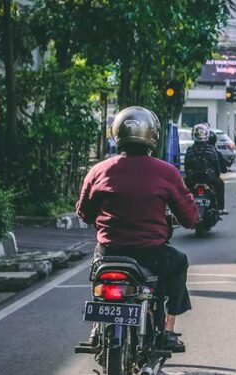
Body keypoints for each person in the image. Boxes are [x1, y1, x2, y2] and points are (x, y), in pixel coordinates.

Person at [76, 106, 198, 352]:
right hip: (150, 252)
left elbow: (84, 213)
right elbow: (190, 218)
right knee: (179, 263)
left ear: (117, 133)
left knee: (97, 268)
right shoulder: (167, 172)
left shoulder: (99, 171)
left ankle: (96, 328)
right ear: (152, 136)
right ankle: (168, 330)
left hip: (109, 250)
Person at [184, 124, 227, 215]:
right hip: (209, 178)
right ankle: (220, 208)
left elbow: (186, 167)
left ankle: (182, 208)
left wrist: (189, 176)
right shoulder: (211, 149)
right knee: (220, 184)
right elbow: (217, 167)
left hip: (192, 178)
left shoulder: (189, 150)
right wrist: (217, 175)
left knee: (182, 189)